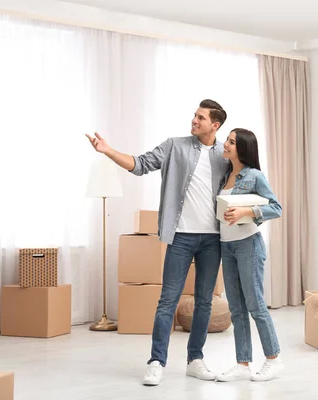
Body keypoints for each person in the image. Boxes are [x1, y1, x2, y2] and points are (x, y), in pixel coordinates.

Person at [86, 99, 230, 387]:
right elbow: (140, 165)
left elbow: (244, 180)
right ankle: (156, 362)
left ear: (215, 125)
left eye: (200, 118)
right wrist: (108, 151)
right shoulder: (175, 146)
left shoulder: (226, 155)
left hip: (214, 239)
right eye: (194, 115)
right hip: (180, 236)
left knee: (204, 302)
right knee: (168, 300)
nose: (194, 120)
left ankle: (195, 360)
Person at [214, 128, 284, 382]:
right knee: (236, 308)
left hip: (248, 245)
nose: (226, 144)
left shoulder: (254, 175)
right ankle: (242, 363)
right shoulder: (225, 176)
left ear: (242, 148)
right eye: (227, 140)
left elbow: (276, 208)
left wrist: (246, 212)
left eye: (231, 142)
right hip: (227, 246)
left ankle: (273, 359)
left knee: (254, 304)